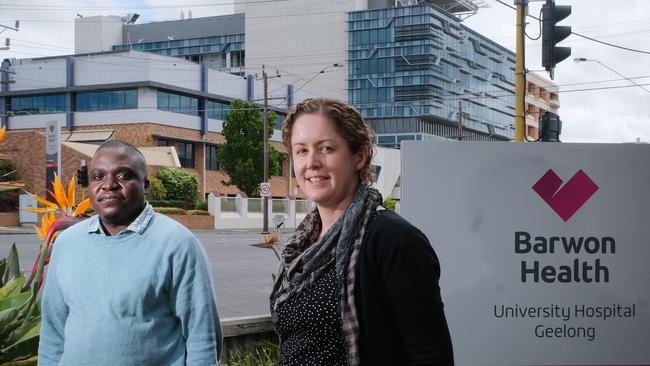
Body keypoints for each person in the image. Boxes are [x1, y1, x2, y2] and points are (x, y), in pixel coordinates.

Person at [270, 98, 454, 366]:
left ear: (360, 156)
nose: (312, 162)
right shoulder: (304, 244)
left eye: (326, 148)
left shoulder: (394, 240)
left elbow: (430, 356)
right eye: (301, 150)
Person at [38, 140, 222, 365]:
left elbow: (202, 335)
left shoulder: (177, 244)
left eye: (123, 175)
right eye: (98, 176)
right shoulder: (67, 243)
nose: (109, 185)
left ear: (145, 185)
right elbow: (52, 332)